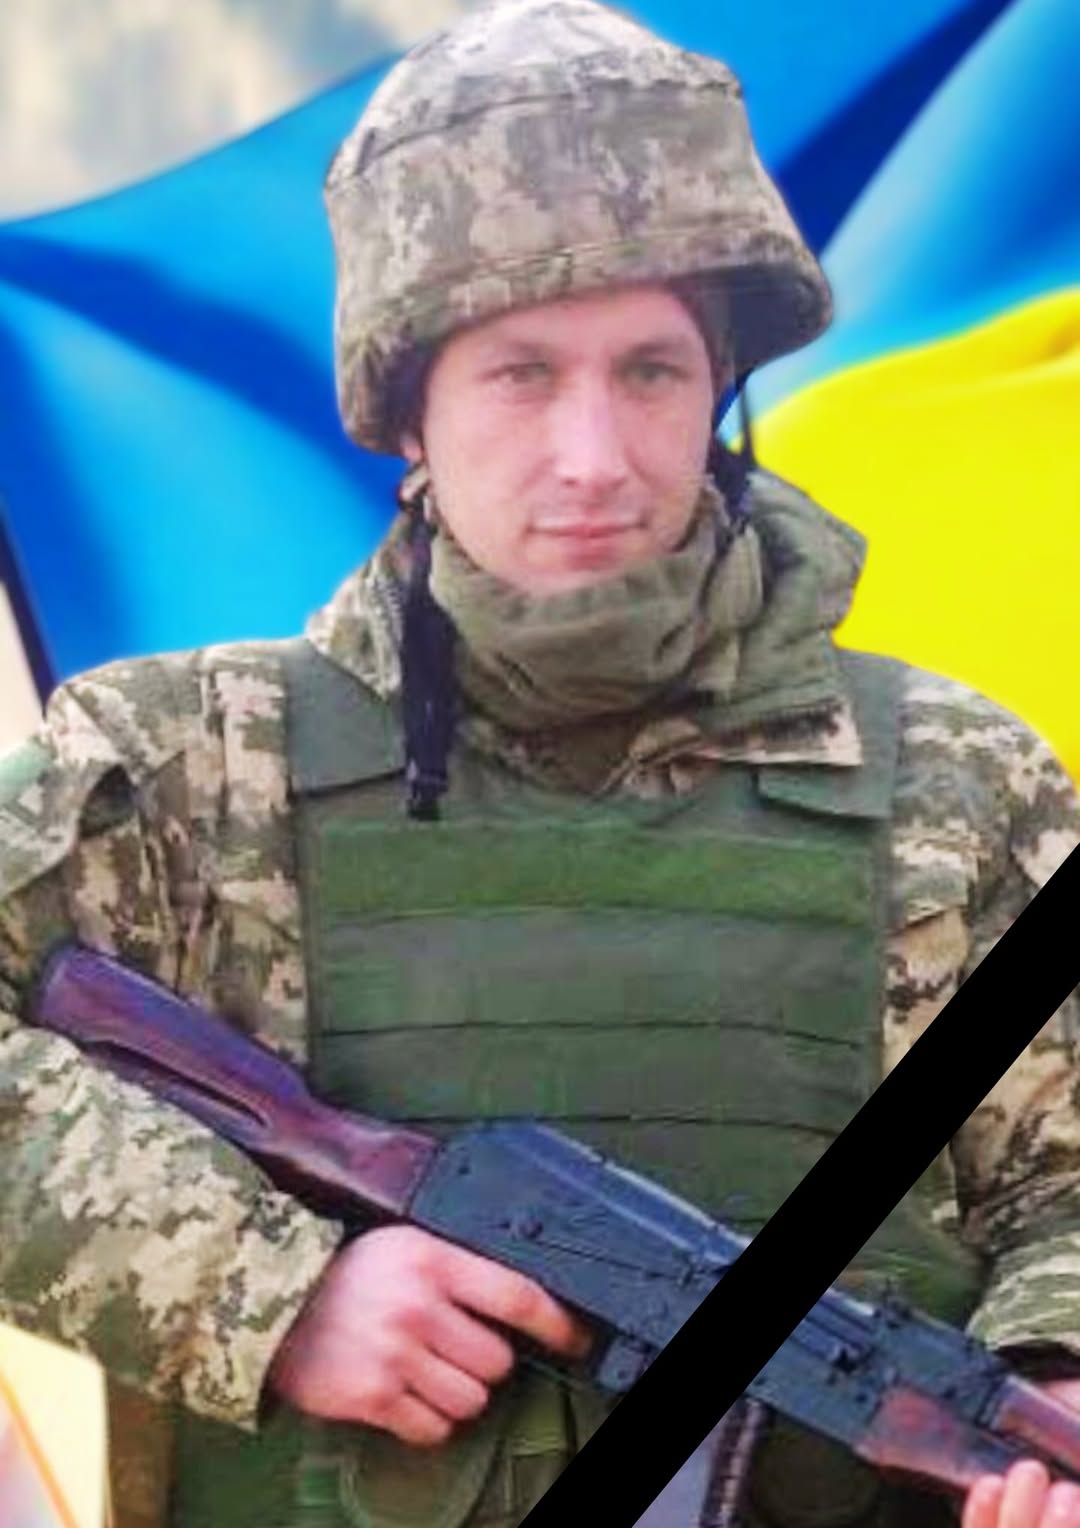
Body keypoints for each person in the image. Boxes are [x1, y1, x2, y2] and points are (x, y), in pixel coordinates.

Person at [1, 2, 1079, 1525]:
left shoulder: (967, 784)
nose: (594, 456)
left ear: (722, 384)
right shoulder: (183, 768)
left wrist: (1053, 1385)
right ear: (408, 410)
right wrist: (268, 1290)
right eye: (521, 374)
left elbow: (1065, 1183)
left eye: (651, 371)